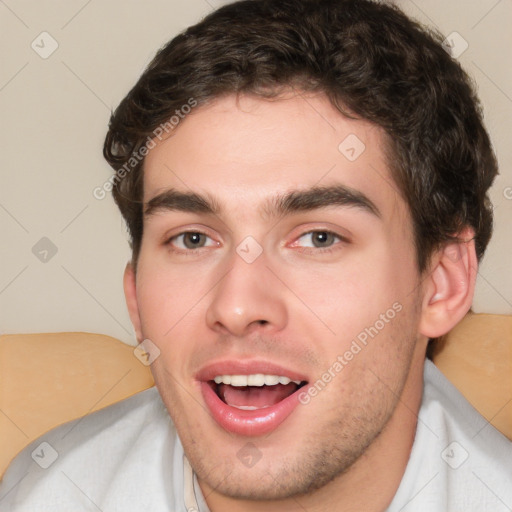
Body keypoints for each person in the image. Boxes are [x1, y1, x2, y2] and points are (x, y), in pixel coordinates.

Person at [1, 0, 511, 510]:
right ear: (135, 297)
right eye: (193, 239)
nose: (238, 307)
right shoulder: (45, 495)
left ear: (441, 284)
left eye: (318, 238)